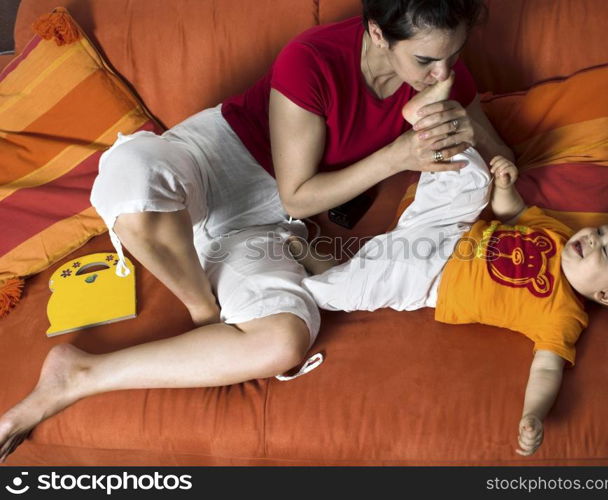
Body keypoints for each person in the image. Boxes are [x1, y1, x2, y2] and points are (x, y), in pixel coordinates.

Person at [0, 0, 512, 462]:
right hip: (222, 161)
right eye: (425, 60)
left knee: (282, 341)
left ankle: (77, 376)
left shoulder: (443, 76)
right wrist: (397, 156)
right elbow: (299, 192)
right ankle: (203, 310)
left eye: (454, 55)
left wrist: (481, 152)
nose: (443, 71)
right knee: (133, 182)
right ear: (378, 33)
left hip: (267, 226)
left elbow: (497, 152)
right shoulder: (313, 57)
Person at [294, 152, 608, 457]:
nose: (592, 238)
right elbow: (513, 213)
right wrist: (504, 186)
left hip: (428, 277)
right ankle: (425, 138)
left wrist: (533, 414)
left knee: (344, 291)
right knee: (470, 169)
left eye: (604, 251)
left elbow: (545, 369)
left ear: (606, 296)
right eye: (602, 232)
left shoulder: (563, 315)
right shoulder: (559, 234)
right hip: (449, 228)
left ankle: (300, 270)